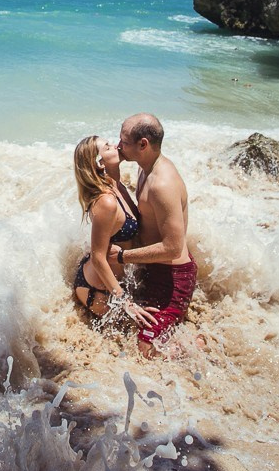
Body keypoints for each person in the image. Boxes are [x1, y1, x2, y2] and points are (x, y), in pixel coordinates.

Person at [110, 113, 197, 358]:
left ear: (143, 144)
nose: (118, 146)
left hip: (173, 277)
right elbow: (140, 215)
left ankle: (200, 344)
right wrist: (113, 177)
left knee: (146, 349)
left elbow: (173, 247)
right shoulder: (145, 168)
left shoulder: (162, 184)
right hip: (153, 266)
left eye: (124, 141)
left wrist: (122, 256)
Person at [70, 135, 158, 328]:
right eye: (108, 147)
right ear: (100, 163)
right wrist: (125, 302)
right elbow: (98, 258)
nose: (116, 145)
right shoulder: (106, 202)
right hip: (98, 289)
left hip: (114, 280)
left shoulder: (117, 185)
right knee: (140, 332)